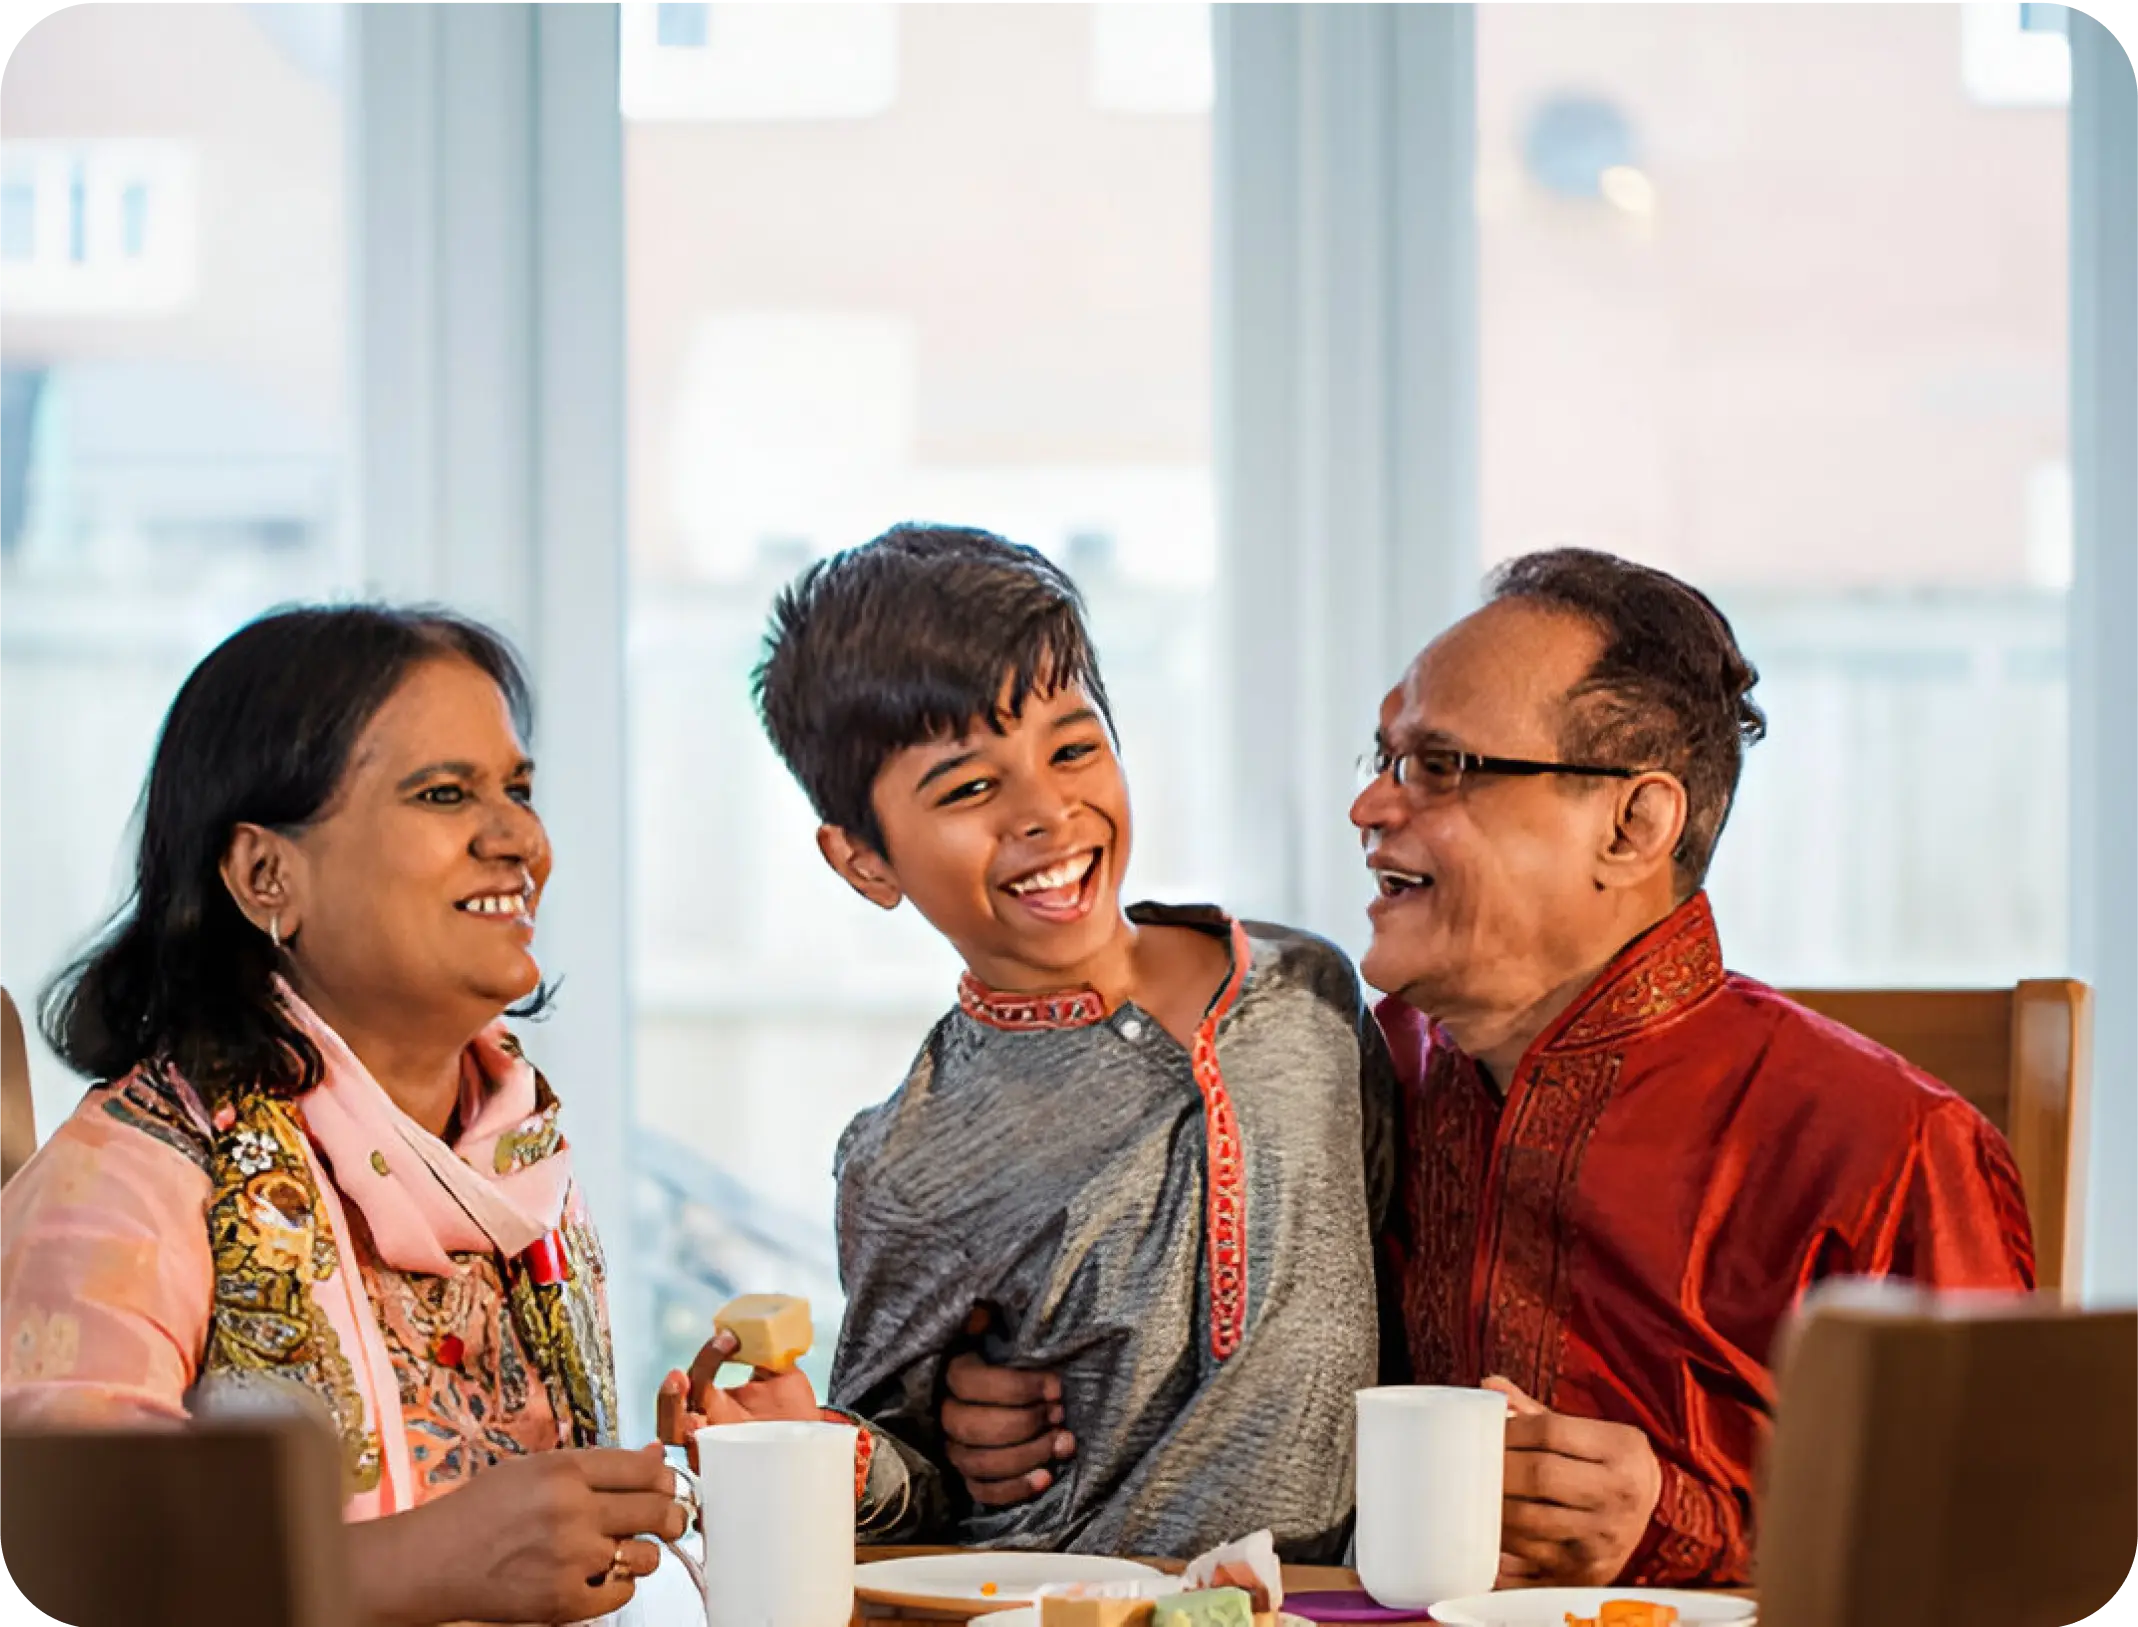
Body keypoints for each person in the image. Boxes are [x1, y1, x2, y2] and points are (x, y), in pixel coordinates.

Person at [933, 548, 2036, 1590]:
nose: (1368, 805)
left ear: (1632, 823)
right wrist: (1011, 1417)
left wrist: (1680, 1526)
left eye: (1442, 766)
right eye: (1383, 759)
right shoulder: (1328, 1073)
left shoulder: (1886, 1144)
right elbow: (1174, 1367)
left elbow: (2009, 1564)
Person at [689, 522, 1396, 1561]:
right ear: (863, 861)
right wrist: (816, 1448)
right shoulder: (907, 1163)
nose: (1045, 812)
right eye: (969, 787)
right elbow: (919, 1484)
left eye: (1073, 748)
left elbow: (1409, 1272)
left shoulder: (1309, 990)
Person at [0, 606, 688, 1627]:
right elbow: (68, 1583)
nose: (518, 840)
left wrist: (677, 1475)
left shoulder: (512, 1150)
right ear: (265, 873)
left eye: (519, 790)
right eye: (445, 793)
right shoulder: (129, 1182)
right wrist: (407, 1562)